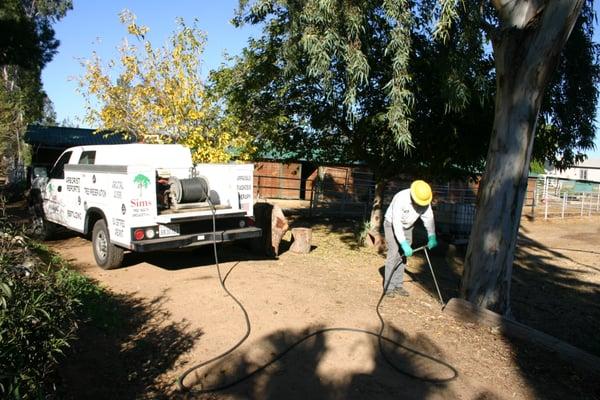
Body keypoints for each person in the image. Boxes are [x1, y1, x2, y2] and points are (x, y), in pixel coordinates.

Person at [383, 180, 437, 297]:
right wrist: (403, 243)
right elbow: (396, 223)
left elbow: (429, 218)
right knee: (394, 252)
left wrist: (432, 235)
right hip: (391, 224)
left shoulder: (425, 202)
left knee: (403, 255)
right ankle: (388, 287)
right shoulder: (401, 198)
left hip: (408, 226)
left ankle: (398, 285)